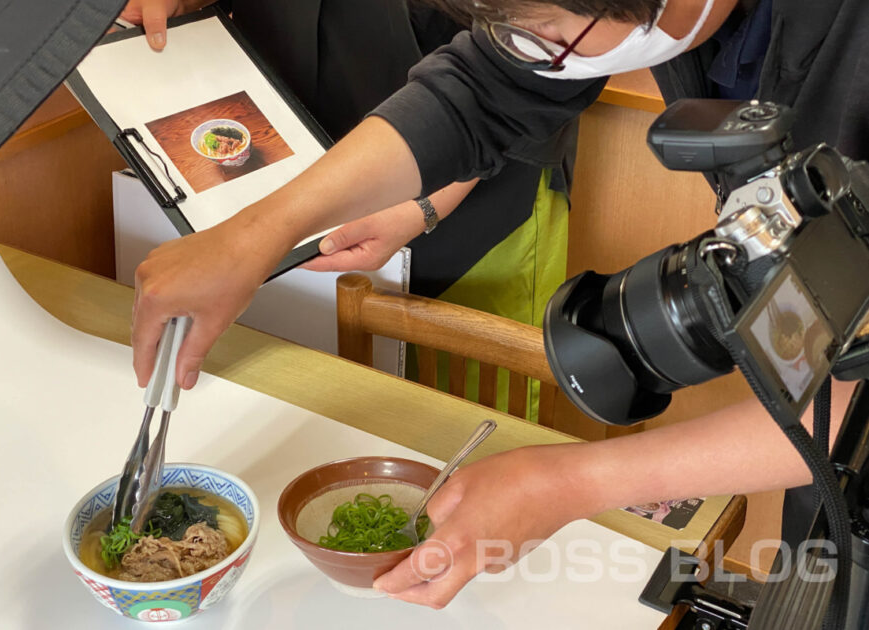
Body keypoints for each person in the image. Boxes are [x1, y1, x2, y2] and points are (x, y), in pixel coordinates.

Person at [128, 0, 868, 609]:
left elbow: (850, 398)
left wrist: (574, 481)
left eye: (544, 35)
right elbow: (475, 91)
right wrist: (256, 235)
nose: (524, 51)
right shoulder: (675, 18)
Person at [123, 0, 580, 419]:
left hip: (478, 179)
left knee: (464, 415)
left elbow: (514, 74)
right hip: (286, 147)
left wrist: (424, 206)